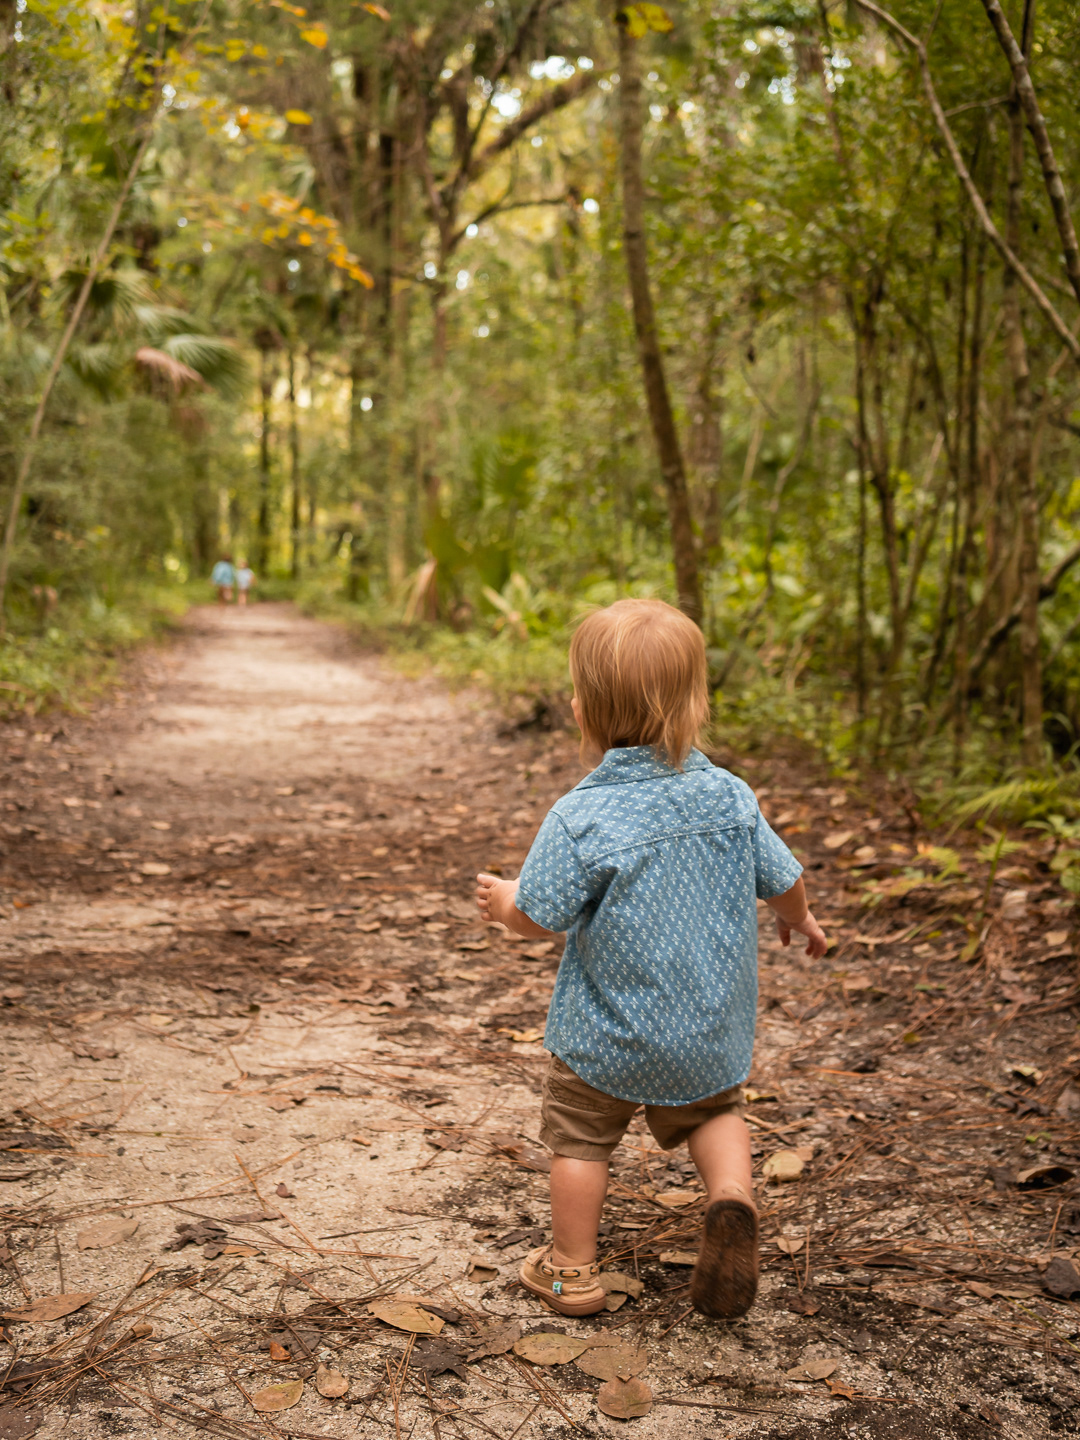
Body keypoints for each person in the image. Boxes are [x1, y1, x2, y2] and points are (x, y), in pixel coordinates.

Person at [475, 598, 827, 1321]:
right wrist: (802, 920)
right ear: (695, 703)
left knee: (580, 1139)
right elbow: (784, 878)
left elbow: (539, 918)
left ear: (587, 713)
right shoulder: (731, 796)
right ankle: (731, 1199)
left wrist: (506, 900)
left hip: (606, 1035)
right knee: (715, 1113)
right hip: (706, 1031)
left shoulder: (581, 815)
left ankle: (572, 1272)